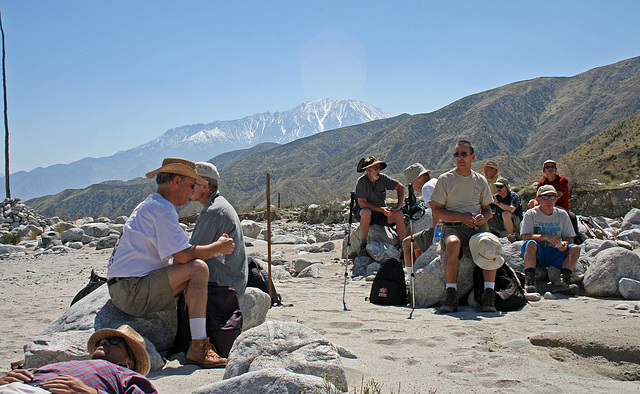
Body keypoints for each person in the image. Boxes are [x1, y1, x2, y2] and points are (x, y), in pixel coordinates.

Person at [106, 158, 235, 368]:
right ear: (176, 181)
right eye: (191, 185)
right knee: (198, 270)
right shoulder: (162, 210)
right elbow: (184, 256)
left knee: (191, 271)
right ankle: (199, 346)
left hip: (122, 286)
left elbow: (174, 255)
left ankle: (193, 339)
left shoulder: (150, 204)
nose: (192, 192)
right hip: (132, 290)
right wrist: (218, 248)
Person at [430, 141, 497, 313]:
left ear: (473, 157)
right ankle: (451, 294)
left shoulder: (480, 180)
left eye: (463, 154)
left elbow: (488, 210)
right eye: (457, 154)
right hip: (453, 227)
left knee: (489, 243)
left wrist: (484, 218)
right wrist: (461, 217)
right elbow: (437, 210)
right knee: (452, 243)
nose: (460, 158)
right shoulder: (446, 179)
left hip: (476, 227)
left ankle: (489, 294)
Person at [0, 325, 156, 393]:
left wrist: (90, 393)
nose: (103, 341)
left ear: (127, 363)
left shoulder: (127, 376)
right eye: (101, 341)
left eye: (115, 340)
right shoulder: (70, 365)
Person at [190, 162, 248, 296]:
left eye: (192, 184)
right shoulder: (219, 205)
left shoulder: (212, 212)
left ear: (205, 186)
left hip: (221, 285)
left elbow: (191, 253)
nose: (188, 188)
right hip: (233, 280)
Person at [520, 185, 580, 295]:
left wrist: (565, 244)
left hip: (556, 251)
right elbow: (525, 236)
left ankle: (564, 280)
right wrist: (544, 237)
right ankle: (530, 280)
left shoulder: (562, 214)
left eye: (552, 197)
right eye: (545, 197)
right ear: (538, 198)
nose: (549, 200)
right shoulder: (531, 214)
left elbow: (569, 238)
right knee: (530, 244)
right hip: (539, 252)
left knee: (575, 248)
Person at [354, 156, 406, 256]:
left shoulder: (383, 179)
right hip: (368, 214)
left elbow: (400, 187)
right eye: (376, 168)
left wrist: (398, 207)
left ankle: (403, 246)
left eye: (379, 168)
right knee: (366, 212)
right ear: (368, 170)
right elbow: (362, 203)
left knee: (399, 215)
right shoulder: (362, 182)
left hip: (381, 213)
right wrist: (380, 209)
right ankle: (363, 243)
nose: (379, 170)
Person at [401, 163, 436, 277]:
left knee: (407, 244)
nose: (413, 187)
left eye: (412, 183)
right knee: (418, 243)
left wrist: (436, 237)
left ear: (419, 178)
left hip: (443, 228)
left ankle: (411, 279)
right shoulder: (436, 182)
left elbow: (437, 213)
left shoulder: (427, 188)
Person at [487, 177, 523, 242]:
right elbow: (488, 207)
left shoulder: (513, 196)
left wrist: (497, 203)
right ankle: (489, 235)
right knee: (486, 215)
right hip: (502, 222)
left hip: (515, 223)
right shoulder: (497, 197)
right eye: (497, 186)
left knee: (506, 214)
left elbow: (512, 209)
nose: (498, 189)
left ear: (506, 187)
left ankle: (511, 236)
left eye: (500, 187)